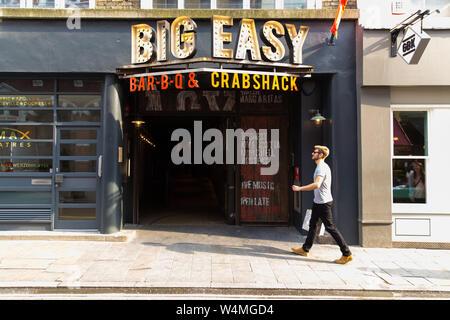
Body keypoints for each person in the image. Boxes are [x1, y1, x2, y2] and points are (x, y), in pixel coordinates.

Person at [291, 145, 353, 264]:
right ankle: (305, 249)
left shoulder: (321, 168)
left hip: (324, 203)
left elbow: (317, 184)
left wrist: (299, 189)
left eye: (314, 152)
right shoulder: (321, 166)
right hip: (318, 202)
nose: (312, 154)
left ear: (320, 155)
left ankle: (347, 253)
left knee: (330, 227)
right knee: (313, 225)